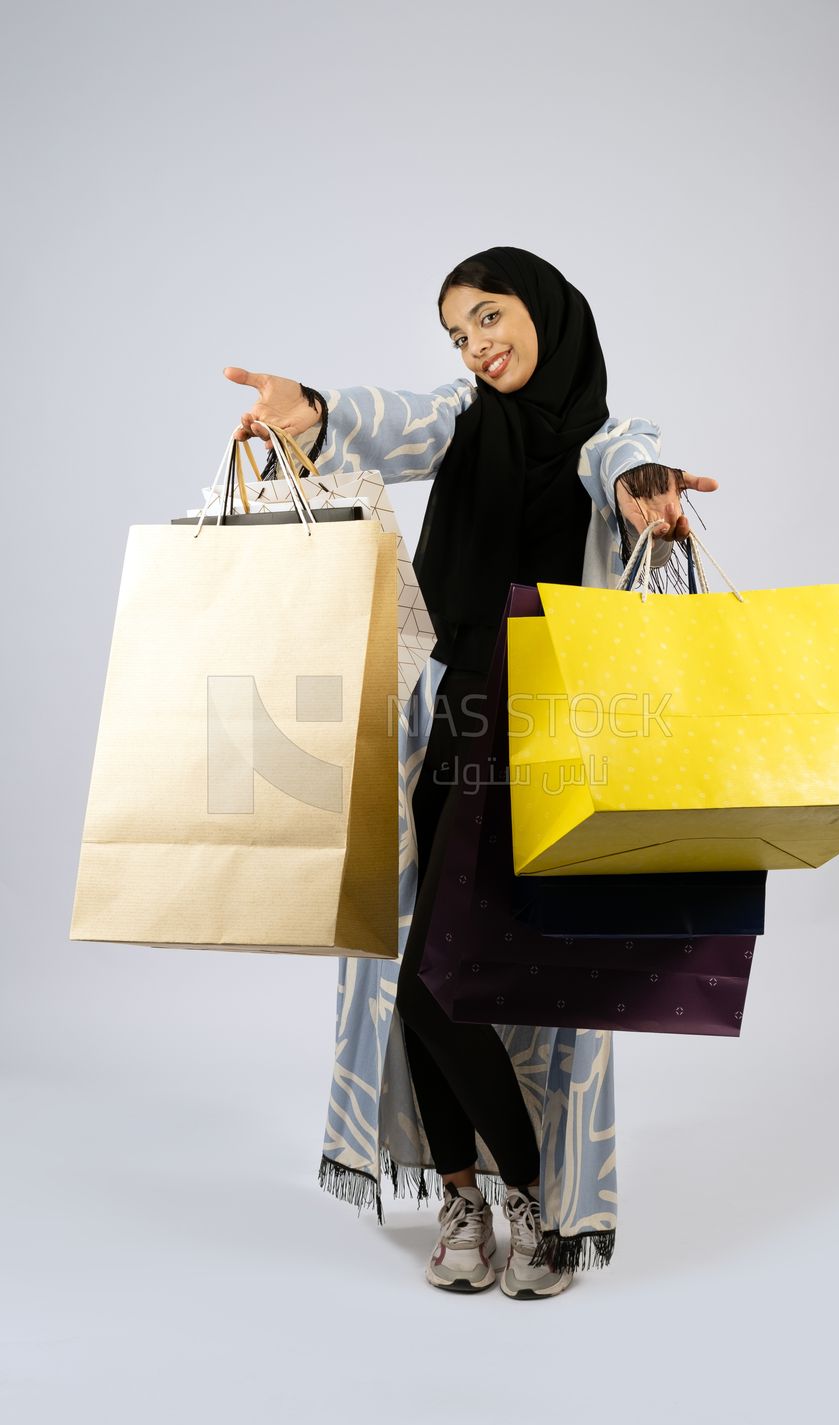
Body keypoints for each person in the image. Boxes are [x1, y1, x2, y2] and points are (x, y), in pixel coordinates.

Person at [223, 246, 718, 1300]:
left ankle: (532, 1195)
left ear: (545, 311)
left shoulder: (603, 439)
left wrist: (648, 496)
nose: (476, 347)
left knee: (472, 975)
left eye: (490, 317)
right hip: (447, 724)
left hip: (544, 741)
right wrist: (310, 411)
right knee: (413, 970)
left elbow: (627, 463)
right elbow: (393, 419)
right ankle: (464, 1196)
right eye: (457, 333)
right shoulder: (462, 415)